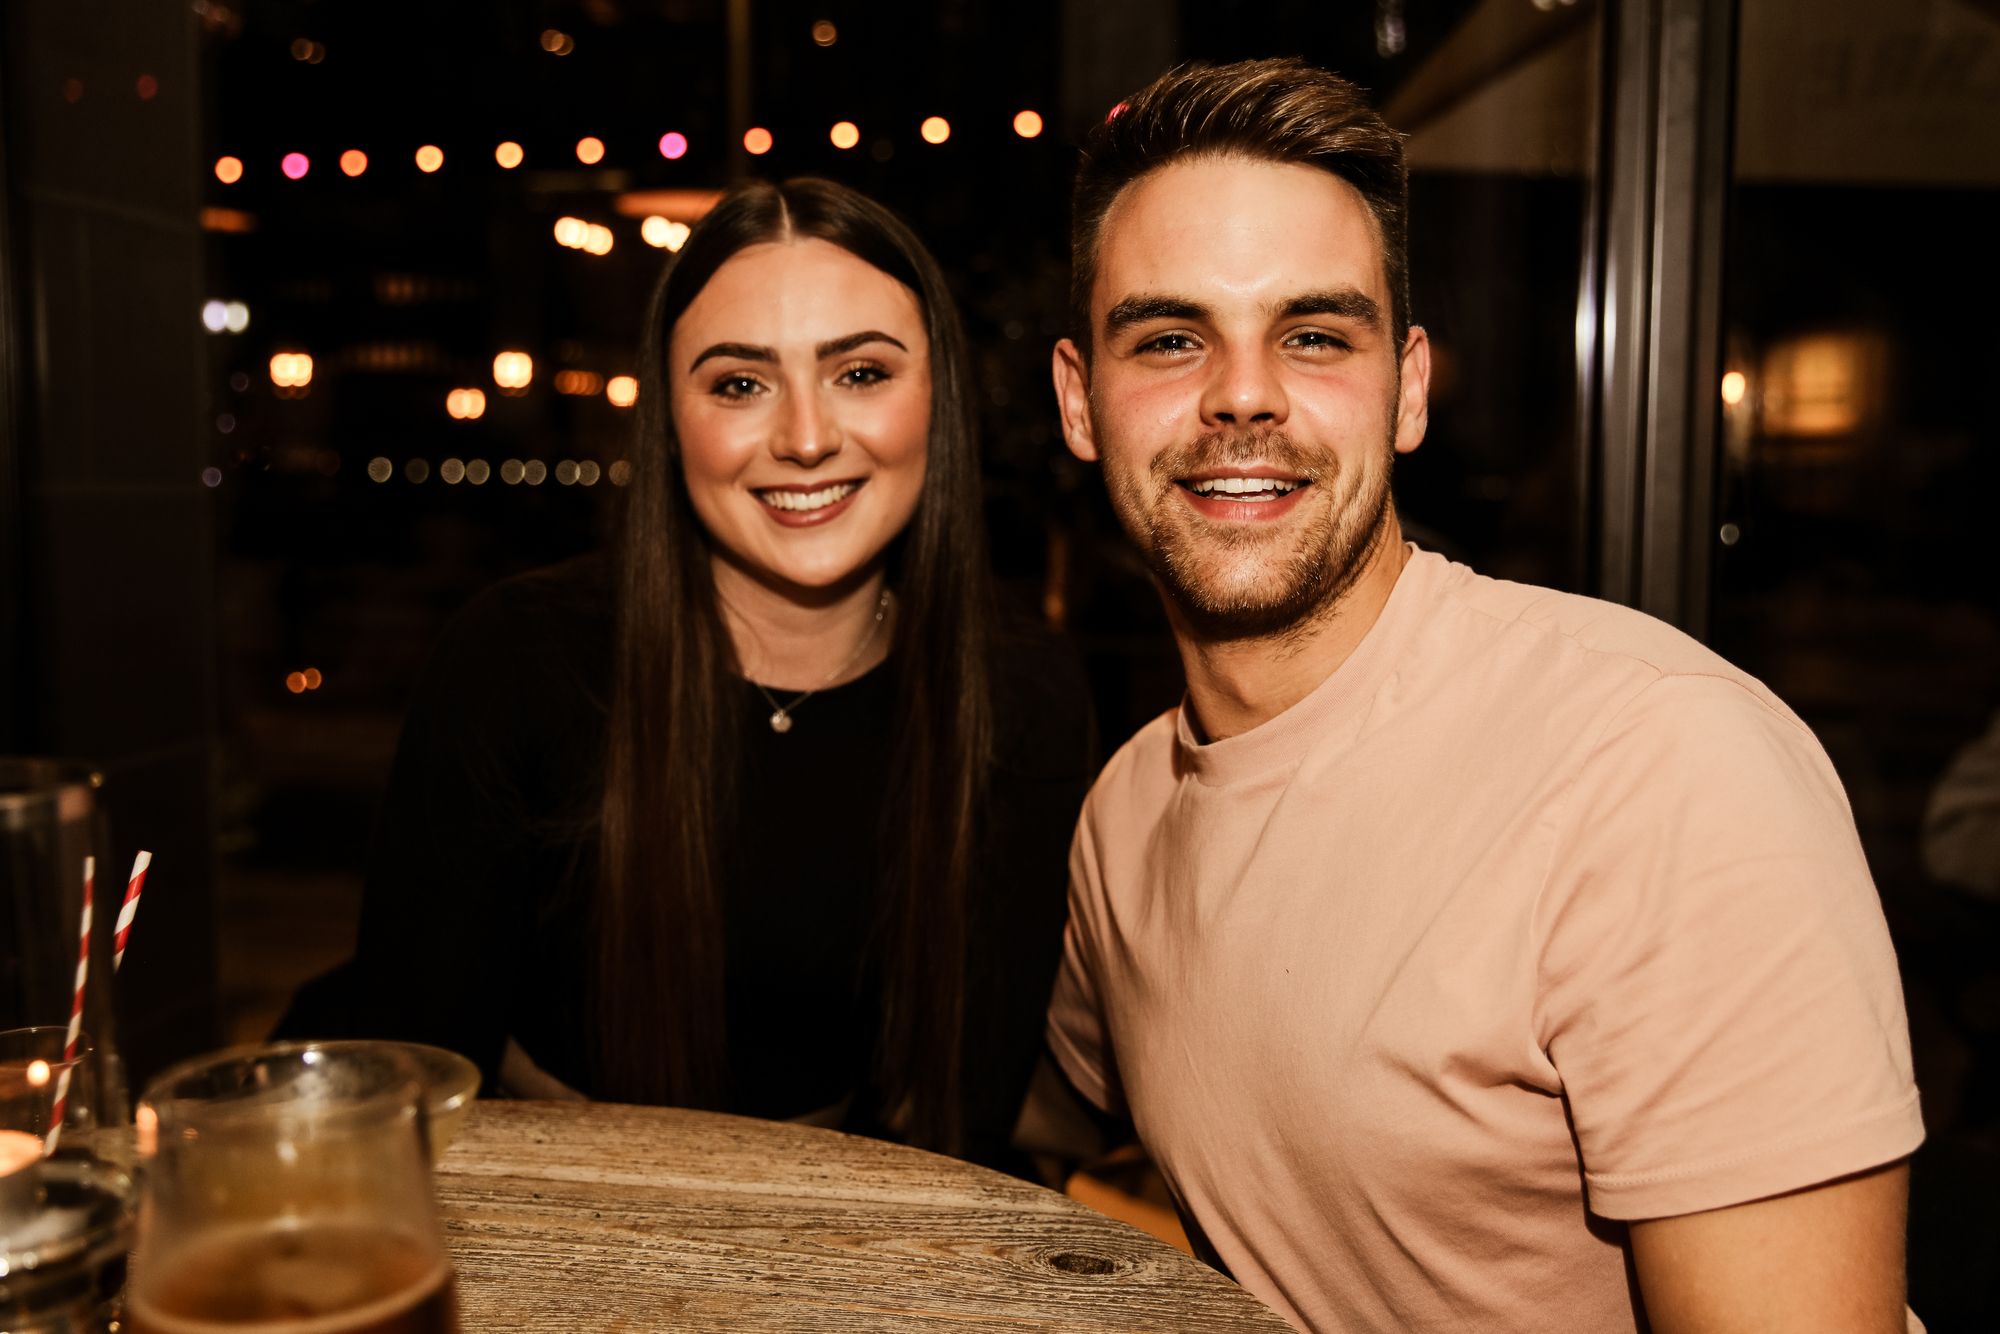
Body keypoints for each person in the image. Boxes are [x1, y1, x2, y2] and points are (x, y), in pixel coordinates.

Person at [1042, 59, 1924, 1332]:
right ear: (1080, 401)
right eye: (1171, 339)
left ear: (1405, 389)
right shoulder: (1121, 818)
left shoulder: (1661, 769)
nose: (1242, 394)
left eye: (1312, 335)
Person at [285, 177, 1093, 1167]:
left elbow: (965, 1122)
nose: (803, 437)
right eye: (739, 384)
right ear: (670, 421)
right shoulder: (518, 660)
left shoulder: (1020, 693)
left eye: (861, 373)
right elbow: (408, 1094)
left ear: (940, 396)